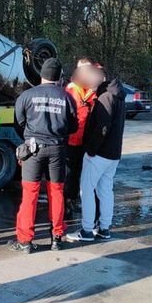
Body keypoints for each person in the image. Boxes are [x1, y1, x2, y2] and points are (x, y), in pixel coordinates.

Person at [9, 57, 78, 253]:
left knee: (29, 194)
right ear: (59, 77)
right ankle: (57, 237)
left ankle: (25, 241)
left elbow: (18, 123)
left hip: (33, 149)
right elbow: (73, 126)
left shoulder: (27, 95)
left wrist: (29, 136)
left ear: (41, 74)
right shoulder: (67, 98)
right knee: (56, 193)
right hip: (57, 149)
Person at [67, 68, 126, 243]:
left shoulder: (104, 98)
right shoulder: (117, 95)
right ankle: (104, 228)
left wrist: (91, 150)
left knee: (87, 190)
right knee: (105, 191)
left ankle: (86, 230)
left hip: (99, 154)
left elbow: (103, 128)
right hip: (113, 154)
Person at [64, 58, 98, 216]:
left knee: (80, 174)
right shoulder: (71, 89)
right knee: (70, 174)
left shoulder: (91, 89)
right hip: (71, 140)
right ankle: (67, 203)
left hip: (86, 141)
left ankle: (73, 200)